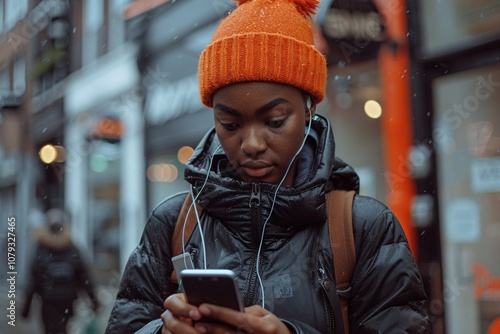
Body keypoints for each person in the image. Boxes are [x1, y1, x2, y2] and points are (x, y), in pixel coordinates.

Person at [105, 0, 430, 333]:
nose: (252, 144)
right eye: (229, 124)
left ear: (308, 109)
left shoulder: (365, 229)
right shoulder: (175, 224)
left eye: (274, 121)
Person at [22, 208, 99, 334]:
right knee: (64, 329)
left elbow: (33, 280)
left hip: (48, 301)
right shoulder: (72, 248)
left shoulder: (41, 249)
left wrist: (26, 308)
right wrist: (94, 301)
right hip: (67, 301)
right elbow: (84, 276)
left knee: (50, 330)